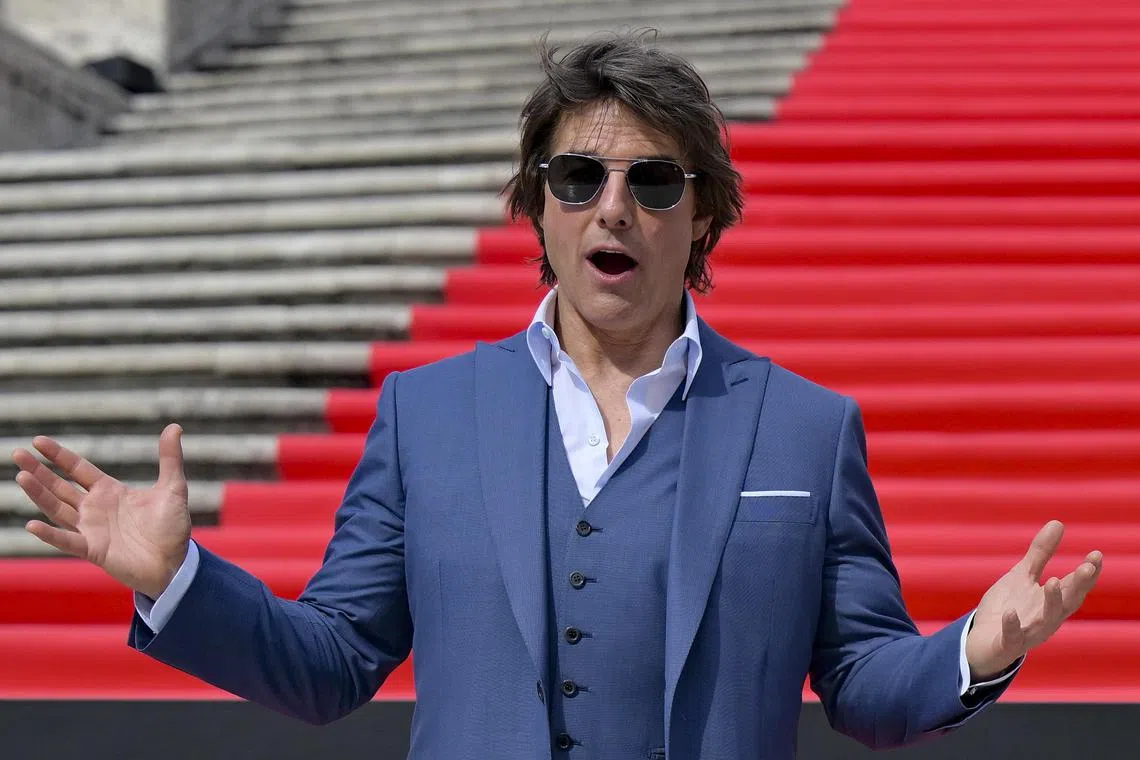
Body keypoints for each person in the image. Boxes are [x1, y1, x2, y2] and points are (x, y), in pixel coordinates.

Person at [12, 33, 1104, 760]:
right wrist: (179, 582)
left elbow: (862, 682)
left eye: (654, 181)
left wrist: (974, 648)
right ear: (536, 209)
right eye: (578, 178)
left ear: (703, 216)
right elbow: (333, 660)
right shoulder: (425, 415)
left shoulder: (808, 430)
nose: (612, 208)